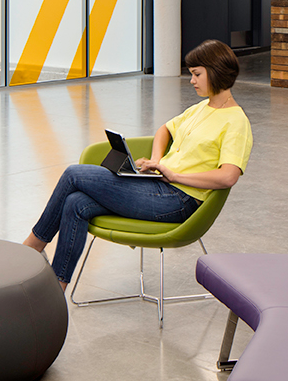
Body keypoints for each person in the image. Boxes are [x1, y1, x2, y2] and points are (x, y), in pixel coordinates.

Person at [21, 40, 252, 288]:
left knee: (73, 174)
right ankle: (57, 288)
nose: (192, 80)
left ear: (215, 72)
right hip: (160, 187)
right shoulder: (200, 108)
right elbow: (165, 129)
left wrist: (174, 176)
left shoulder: (236, 122)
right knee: (75, 203)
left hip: (180, 201)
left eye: (197, 74)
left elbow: (228, 176)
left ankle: (33, 246)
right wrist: (156, 161)